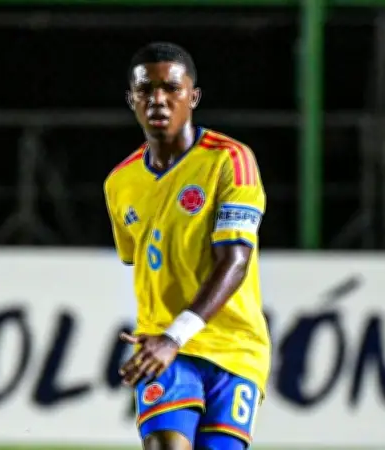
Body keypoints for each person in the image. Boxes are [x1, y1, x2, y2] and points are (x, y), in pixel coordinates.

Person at [103, 42, 270, 450]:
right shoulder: (119, 183)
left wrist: (175, 335)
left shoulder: (230, 160)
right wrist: (166, 339)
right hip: (161, 347)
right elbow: (138, 259)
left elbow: (235, 260)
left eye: (171, 88)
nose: (158, 99)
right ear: (131, 99)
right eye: (145, 90)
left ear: (193, 97)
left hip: (234, 347)